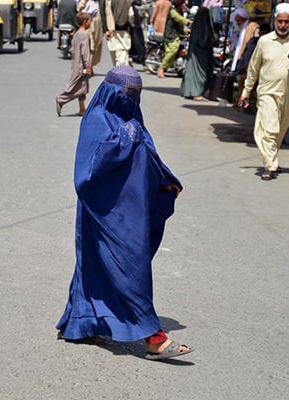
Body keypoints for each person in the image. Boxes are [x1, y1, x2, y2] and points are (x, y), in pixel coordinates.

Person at [56, 65, 193, 361]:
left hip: (132, 213)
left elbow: (150, 155)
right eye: (127, 93)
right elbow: (87, 172)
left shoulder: (132, 117)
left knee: (93, 266)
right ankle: (155, 339)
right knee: (131, 269)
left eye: (136, 94)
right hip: (105, 212)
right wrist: (123, 139)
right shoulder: (97, 119)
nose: (131, 99)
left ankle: (82, 324)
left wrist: (167, 181)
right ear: (112, 92)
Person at [239, 2, 289, 181]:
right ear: (275, 20)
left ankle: (272, 158)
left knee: (281, 128)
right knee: (268, 129)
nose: (283, 25)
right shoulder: (264, 41)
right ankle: (269, 166)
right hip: (267, 92)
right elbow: (254, 69)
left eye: (286, 21)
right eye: (280, 21)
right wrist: (246, 92)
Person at [56, 12, 93, 117]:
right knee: (74, 87)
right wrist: (88, 66)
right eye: (89, 20)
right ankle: (61, 99)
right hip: (81, 66)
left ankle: (82, 108)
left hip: (76, 64)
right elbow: (85, 52)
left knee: (82, 87)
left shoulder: (77, 33)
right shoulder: (84, 34)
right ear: (85, 22)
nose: (90, 22)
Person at [180, 6, 215, 100]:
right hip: (201, 55)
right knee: (200, 74)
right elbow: (202, 41)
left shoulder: (197, 25)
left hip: (194, 54)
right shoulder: (202, 27)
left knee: (191, 72)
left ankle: (189, 91)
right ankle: (196, 93)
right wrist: (210, 41)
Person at [156, 0, 189, 79]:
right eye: (183, 3)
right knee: (172, 51)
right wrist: (188, 21)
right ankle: (161, 68)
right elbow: (179, 19)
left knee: (171, 54)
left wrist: (187, 30)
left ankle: (165, 69)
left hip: (174, 34)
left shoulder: (179, 11)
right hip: (171, 35)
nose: (184, 5)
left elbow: (180, 25)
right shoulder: (173, 11)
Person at [77, 0, 107, 67]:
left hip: (98, 27)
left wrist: (109, 28)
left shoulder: (101, 2)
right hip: (87, 26)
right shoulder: (85, 1)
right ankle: (88, 65)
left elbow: (107, 13)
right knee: (89, 45)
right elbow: (78, 8)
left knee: (95, 47)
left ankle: (90, 65)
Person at [102, 0, 132, 66]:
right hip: (124, 34)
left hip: (111, 33)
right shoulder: (127, 2)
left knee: (115, 58)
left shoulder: (109, 2)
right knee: (122, 59)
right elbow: (131, 15)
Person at [128, 0, 145, 66]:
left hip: (134, 24)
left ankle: (137, 56)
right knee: (137, 41)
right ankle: (138, 56)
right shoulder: (132, 6)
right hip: (134, 25)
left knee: (136, 41)